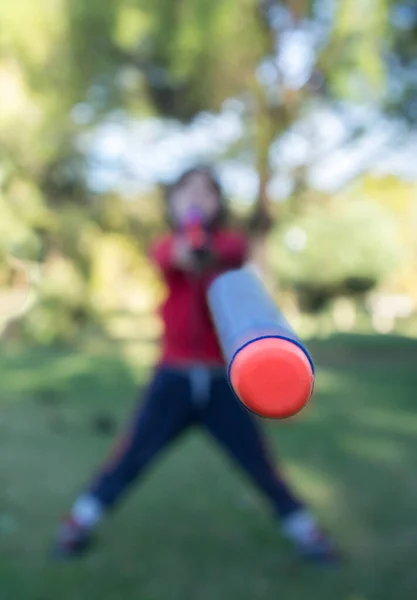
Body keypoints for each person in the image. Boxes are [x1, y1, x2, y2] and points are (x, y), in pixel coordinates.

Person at [52, 166, 338, 563]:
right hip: (173, 379)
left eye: (207, 192)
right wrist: (192, 241)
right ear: (171, 201)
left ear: (219, 202)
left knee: (260, 463)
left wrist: (207, 247)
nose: (196, 199)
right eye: (187, 191)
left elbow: (229, 255)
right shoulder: (166, 247)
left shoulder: (231, 246)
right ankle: (77, 525)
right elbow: (180, 257)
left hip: (224, 382)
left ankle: (308, 535)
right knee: (131, 456)